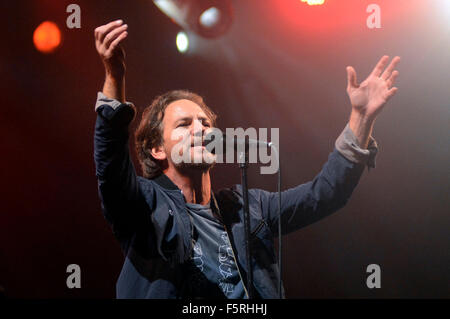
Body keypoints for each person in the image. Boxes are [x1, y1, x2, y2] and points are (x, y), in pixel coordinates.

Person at [93, 19, 400, 299]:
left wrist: (360, 118)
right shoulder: (145, 204)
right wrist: (114, 76)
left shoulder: (246, 208)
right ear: (157, 150)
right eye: (185, 124)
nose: (200, 128)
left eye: (204, 122)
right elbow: (110, 166)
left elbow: (324, 194)